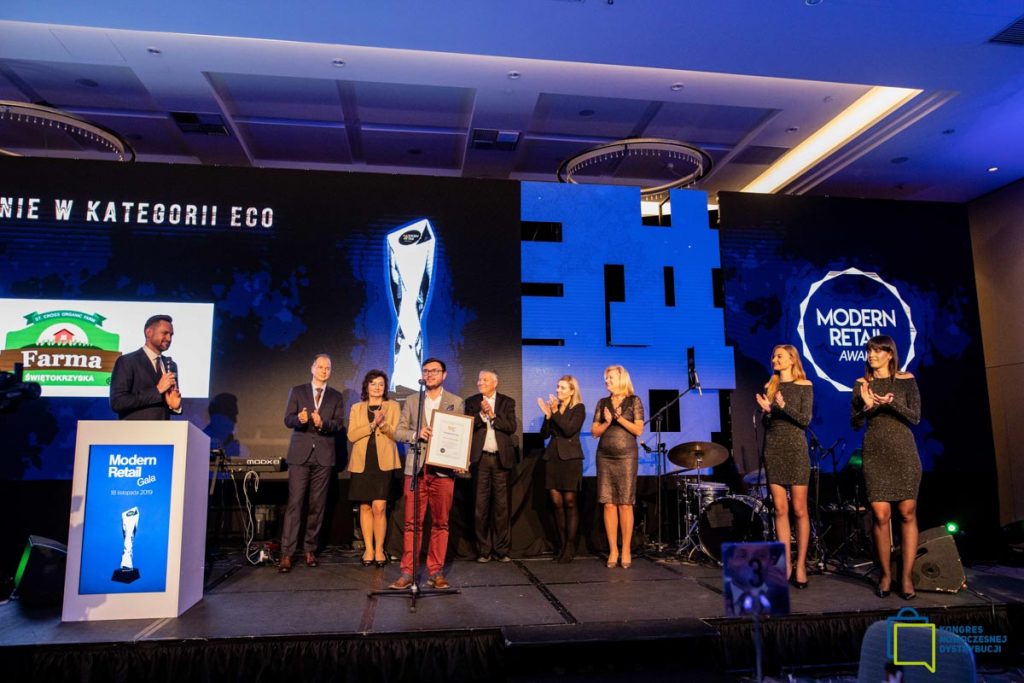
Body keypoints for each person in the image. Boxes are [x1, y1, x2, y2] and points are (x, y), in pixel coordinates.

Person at [851, 335, 922, 601]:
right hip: (875, 453)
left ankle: (906, 576)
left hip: (903, 452)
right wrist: (867, 407)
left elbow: (915, 417)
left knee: (907, 512)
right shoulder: (861, 384)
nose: (871, 355)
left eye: (877, 351)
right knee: (880, 515)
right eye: (869, 351)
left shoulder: (906, 379)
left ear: (890, 354)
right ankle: (885, 574)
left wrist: (890, 402)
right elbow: (855, 423)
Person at [389, 358, 465, 590]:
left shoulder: (455, 402)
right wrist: (416, 433)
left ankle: (436, 572)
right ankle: (408, 572)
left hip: (443, 471)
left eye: (435, 371)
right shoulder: (413, 400)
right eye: (426, 371)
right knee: (412, 523)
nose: (430, 374)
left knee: (441, 523)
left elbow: (460, 434)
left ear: (444, 375)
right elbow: (398, 432)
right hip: (416, 470)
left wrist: (460, 459)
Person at [279, 354, 345, 573]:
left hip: (323, 457)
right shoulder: (298, 391)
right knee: (295, 504)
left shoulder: (335, 396)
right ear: (312, 368)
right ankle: (287, 553)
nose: (324, 371)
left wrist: (323, 423)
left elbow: (338, 424)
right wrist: (299, 419)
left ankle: (310, 549)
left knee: (317, 505)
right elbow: (288, 419)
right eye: (320, 367)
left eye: (328, 368)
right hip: (300, 456)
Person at [755, 344, 814, 589]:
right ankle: (786, 565)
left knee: (799, 509)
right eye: (773, 356)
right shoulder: (771, 386)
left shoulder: (804, 386)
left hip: (796, 450)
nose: (774, 359)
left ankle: (801, 565)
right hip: (774, 450)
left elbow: (804, 420)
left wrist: (782, 406)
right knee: (780, 509)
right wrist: (767, 411)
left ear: (792, 359)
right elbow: (768, 423)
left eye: (779, 356)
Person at [591, 365, 644, 569]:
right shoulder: (602, 402)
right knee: (609, 503)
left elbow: (638, 430)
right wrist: (606, 422)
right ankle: (613, 549)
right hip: (605, 456)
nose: (607, 381)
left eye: (610, 377)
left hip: (627, 456)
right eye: (606, 378)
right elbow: (595, 432)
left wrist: (619, 418)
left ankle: (626, 549)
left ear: (621, 379)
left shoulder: (634, 401)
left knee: (625, 503)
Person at [347, 370, 401, 568]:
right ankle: (368, 549)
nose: (377, 387)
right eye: (373, 383)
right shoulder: (357, 408)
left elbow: (397, 434)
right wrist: (372, 425)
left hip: (383, 462)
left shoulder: (393, 406)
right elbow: (352, 435)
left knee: (379, 507)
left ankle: (379, 549)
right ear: (367, 386)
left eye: (381, 384)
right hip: (362, 462)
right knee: (365, 507)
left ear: (385, 387)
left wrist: (383, 424)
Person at [466, 370, 518, 563]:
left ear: (495, 383)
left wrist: (492, 415)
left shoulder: (507, 402)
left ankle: (501, 550)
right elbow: (467, 426)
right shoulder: (472, 402)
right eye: (479, 379)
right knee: (480, 507)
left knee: (502, 507)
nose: (480, 382)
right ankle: (483, 550)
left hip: (500, 460)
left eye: (485, 380)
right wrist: (481, 414)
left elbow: (511, 427)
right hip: (480, 460)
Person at [538, 375, 585, 563]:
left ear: (572, 391)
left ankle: (570, 546)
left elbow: (568, 430)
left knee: (570, 502)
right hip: (553, 458)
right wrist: (548, 416)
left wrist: (555, 412)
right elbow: (544, 434)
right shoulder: (554, 408)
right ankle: (561, 544)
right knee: (556, 503)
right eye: (558, 387)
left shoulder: (578, 408)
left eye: (563, 388)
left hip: (571, 459)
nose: (558, 390)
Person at [109, 314, 181, 420]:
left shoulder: (171, 365)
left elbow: (168, 403)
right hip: (135, 429)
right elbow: (117, 402)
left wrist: (175, 407)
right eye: (165, 333)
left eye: (171, 335)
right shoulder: (127, 361)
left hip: (163, 429)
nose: (169, 338)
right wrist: (157, 390)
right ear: (149, 333)